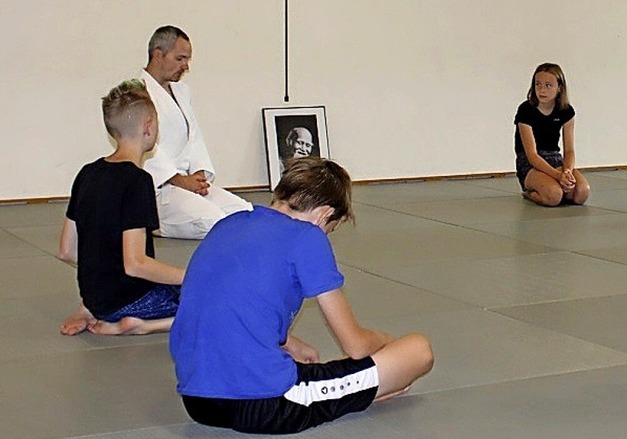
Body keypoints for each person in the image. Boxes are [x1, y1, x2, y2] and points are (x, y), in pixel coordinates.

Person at [169, 157, 434, 434]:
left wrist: (288, 342)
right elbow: (355, 346)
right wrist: (386, 342)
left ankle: (363, 390)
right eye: (330, 230)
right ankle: (362, 392)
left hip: (197, 400)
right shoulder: (307, 236)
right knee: (418, 350)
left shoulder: (228, 224)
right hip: (269, 402)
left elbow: (232, 302)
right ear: (322, 215)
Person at [58, 79, 185, 336]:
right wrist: (190, 275)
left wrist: (102, 280)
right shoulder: (138, 181)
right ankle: (141, 325)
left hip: (96, 299)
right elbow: (135, 264)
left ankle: (89, 310)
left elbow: (66, 251)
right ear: (148, 127)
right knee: (217, 297)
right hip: (132, 301)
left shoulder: (87, 173)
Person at [141, 25, 252, 239]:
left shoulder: (182, 92)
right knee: (216, 222)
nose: (185, 66)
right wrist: (177, 180)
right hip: (160, 189)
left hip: (187, 183)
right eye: (180, 59)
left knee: (244, 213)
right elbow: (143, 145)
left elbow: (194, 139)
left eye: (187, 60)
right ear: (158, 54)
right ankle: (155, 223)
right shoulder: (137, 92)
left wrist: (199, 175)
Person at [514, 62, 590, 206]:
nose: (542, 90)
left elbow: (569, 150)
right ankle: (530, 193)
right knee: (554, 196)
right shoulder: (526, 110)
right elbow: (532, 155)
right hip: (531, 162)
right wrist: (557, 176)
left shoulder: (566, 111)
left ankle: (561, 188)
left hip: (554, 158)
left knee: (582, 193)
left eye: (548, 85)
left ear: (559, 88)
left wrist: (567, 171)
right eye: (538, 84)